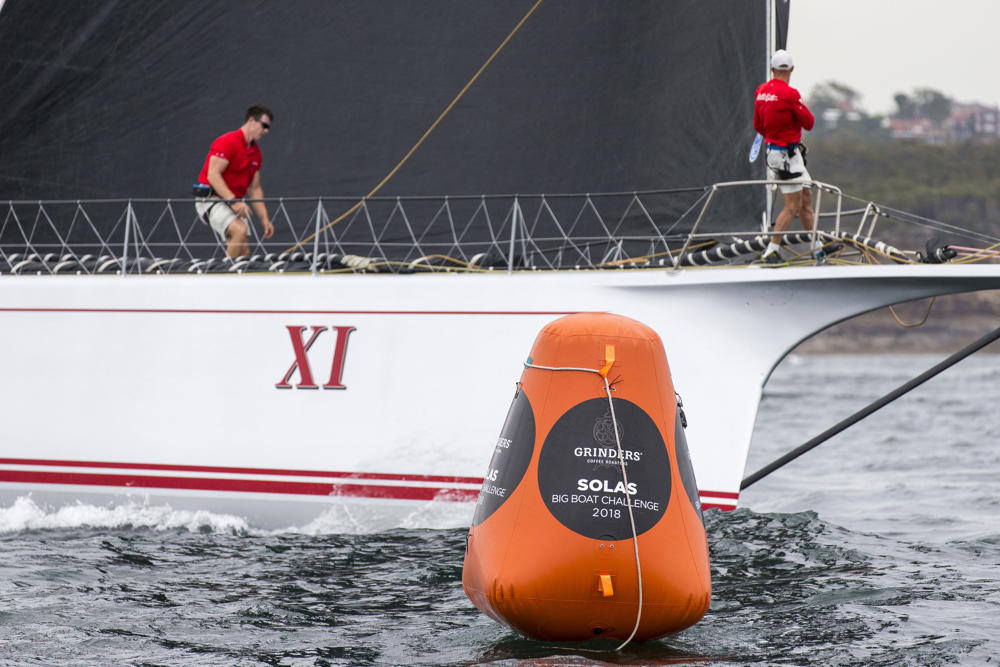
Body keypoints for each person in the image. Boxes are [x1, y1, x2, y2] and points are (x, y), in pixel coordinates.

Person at [753, 50, 822, 264]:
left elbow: (758, 125)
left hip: (781, 153)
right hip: (787, 155)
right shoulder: (790, 94)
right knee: (793, 204)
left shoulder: (761, 91)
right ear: (791, 69)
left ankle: (817, 247)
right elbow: (809, 123)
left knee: (806, 199)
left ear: (772, 69)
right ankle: (771, 251)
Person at [194, 105, 275, 258]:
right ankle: (225, 277)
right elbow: (213, 175)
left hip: (234, 201)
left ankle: (232, 276)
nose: (266, 131)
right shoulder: (228, 141)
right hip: (212, 199)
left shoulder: (256, 153)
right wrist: (233, 201)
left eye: (268, 127)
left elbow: (255, 188)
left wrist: (264, 218)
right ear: (251, 121)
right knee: (240, 230)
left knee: (244, 251)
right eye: (264, 125)